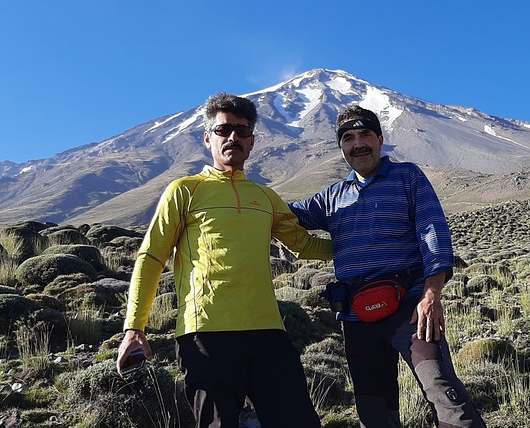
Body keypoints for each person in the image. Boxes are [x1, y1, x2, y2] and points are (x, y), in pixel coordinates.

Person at [117, 92, 330, 428]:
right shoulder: (184, 190)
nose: (234, 137)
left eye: (243, 131)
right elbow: (152, 257)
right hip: (205, 335)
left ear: (252, 141)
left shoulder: (265, 196)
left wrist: (363, 243)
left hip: (268, 333)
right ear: (207, 137)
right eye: (224, 130)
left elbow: (303, 246)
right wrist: (134, 328)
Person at [289, 105, 486, 427]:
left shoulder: (408, 177)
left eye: (365, 134)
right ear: (341, 147)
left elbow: (432, 232)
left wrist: (431, 294)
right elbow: (284, 216)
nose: (358, 144)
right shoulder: (331, 197)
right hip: (355, 316)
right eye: (348, 138)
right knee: (374, 410)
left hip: (411, 308)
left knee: (444, 394)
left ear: (380, 139)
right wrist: (238, 192)